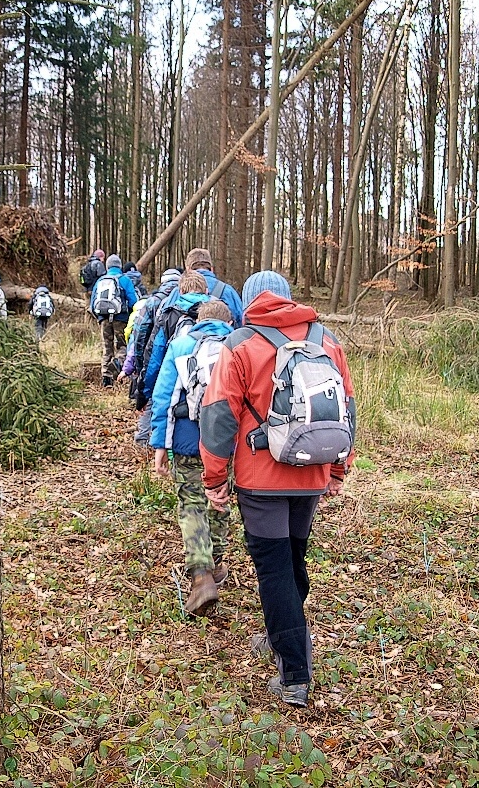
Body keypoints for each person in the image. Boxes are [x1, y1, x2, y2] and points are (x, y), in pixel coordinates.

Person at [199, 270, 356, 709]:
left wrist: (213, 480)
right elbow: (347, 408)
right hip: (312, 471)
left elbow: (217, 418)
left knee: (274, 572)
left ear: (248, 301)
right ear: (288, 297)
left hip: (260, 479)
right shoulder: (326, 339)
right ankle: (280, 634)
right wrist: (339, 468)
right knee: (291, 560)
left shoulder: (240, 345)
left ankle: (294, 675)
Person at [150, 300, 234, 617]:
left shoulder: (182, 344)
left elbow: (165, 397)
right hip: (227, 443)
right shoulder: (239, 344)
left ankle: (201, 573)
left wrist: (160, 444)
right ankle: (217, 564)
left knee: (191, 504)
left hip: (189, 439)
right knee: (220, 498)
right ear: (229, 321)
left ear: (198, 320)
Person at [141, 270, 211, 413]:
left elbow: (155, 356)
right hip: (211, 389)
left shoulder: (168, 315)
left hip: (177, 388)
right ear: (206, 290)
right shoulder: (220, 312)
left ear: (180, 291)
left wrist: (146, 392)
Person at [124, 268, 181, 443]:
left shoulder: (152, 302)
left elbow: (140, 334)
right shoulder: (187, 301)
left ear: (163, 283)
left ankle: (143, 440)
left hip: (157, 356)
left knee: (152, 398)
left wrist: (141, 367)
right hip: (181, 358)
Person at [161, 248, 244, 327]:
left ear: (188, 269)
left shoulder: (178, 291)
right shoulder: (228, 291)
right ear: (211, 269)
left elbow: (164, 322)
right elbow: (240, 322)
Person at [90, 254, 139, 386]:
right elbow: (133, 301)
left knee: (107, 347)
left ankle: (106, 378)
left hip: (103, 318)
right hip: (121, 318)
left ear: (107, 266)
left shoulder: (100, 281)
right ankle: (117, 363)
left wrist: (100, 318)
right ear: (120, 266)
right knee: (123, 345)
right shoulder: (125, 279)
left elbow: (92, 304)